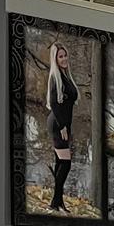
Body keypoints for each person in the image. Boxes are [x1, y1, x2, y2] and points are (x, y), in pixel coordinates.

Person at [44, 41, 77, 211]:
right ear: (55, 59)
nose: (64, 59)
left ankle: (58, 203)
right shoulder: (55, 77)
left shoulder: (66, 76)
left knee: (60, 162)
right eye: (60, 56)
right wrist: (63, 126)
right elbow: (54, 105)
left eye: (65, 55)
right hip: (58, 124)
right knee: (66, 163)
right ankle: (54, 203)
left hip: (64, 124)